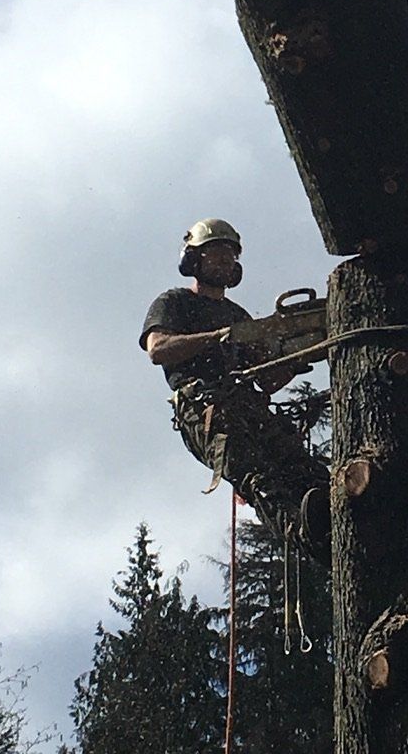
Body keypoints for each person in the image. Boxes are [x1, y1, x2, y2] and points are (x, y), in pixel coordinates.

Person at [139, 218, 330, 559]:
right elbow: (158, 348)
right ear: (194, 260)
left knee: (305, 469)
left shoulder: (238, 315)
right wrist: (218, 338)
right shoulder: (175, 302)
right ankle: (305, 535)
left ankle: (337, 517)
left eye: (230, 255)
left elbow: (266, 381)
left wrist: (294, 361)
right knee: (258, 478)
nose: (225, 261)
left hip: (249, 407)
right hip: (206, 409)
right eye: (216, 254)